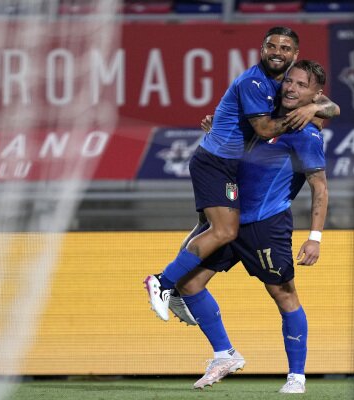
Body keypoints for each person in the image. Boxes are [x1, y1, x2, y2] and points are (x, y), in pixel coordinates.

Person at [143, 26, 339, 322]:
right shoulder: (255, 82)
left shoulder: (283, 85)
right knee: (224, 231)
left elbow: (332, 108)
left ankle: (208, 330)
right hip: (216, 163)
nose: (277, 53)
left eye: (285, 49)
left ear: (295, 54)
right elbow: (264, 129)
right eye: (272, 46)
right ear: (261, 49)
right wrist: (304, 113)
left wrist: (311, 108)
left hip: (231, 167)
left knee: (211, 229)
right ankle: (163, 282)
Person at [175, 60, 330, 394]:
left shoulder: (307, 134)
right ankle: (224, 354)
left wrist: (314, 238)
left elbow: (320, 187)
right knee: (188, 284)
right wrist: (217, 129)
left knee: (283, 294)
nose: (291, 87)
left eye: (302, 85)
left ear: (317, 94)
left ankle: (296, 376)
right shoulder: (266, 119)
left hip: (265, 225)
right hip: (227, 220)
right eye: (289, 80)